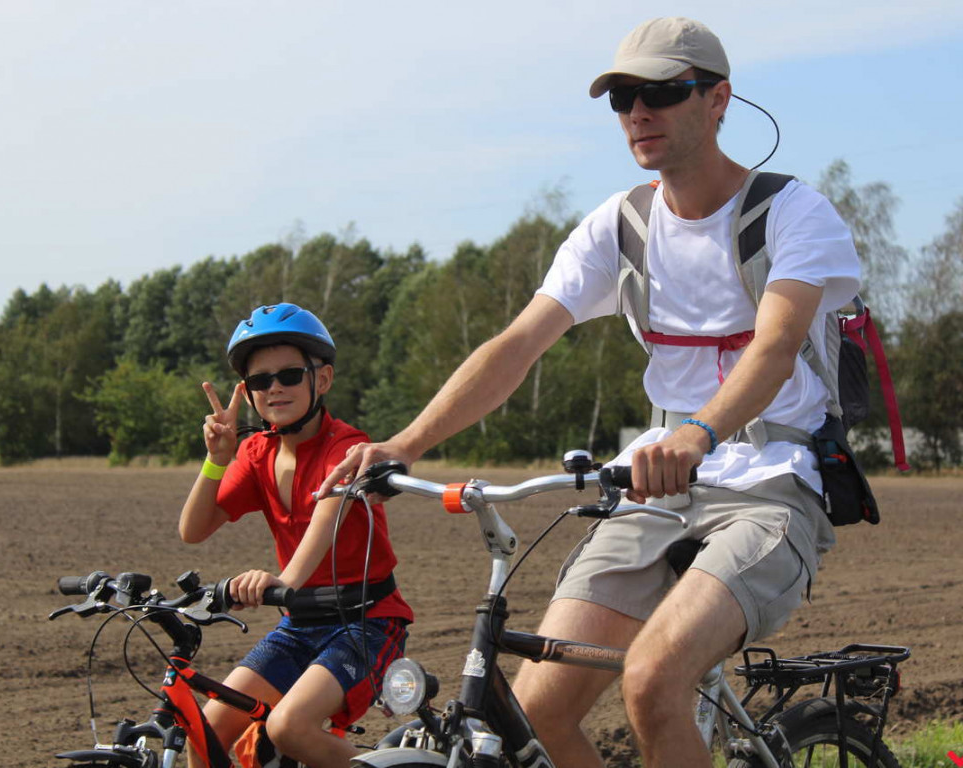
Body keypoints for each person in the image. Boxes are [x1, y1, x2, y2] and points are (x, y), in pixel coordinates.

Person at [318, 16, 861, 768]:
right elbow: (517, 345)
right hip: (655, 487)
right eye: (622, 97)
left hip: (771, 488)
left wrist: (697, 434)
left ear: (718, 100)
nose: (638, 111)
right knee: (537, 714)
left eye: (661, 92)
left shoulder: (791, 213)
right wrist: (405, 444)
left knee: (653, 681)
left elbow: (774, 348)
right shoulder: (622, 225)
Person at [179, 303, 413, 768]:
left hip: (366, 621)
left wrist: (281, 581)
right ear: (248, 393)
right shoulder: (255, 452)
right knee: (204, 732)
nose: (275, 388)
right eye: (260, 381)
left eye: (289, 375)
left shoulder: (347, 449)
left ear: (321, 380)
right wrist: (217, 459)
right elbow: (193, 529)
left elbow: (326, 520)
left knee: (288, 727)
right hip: (299, 623)